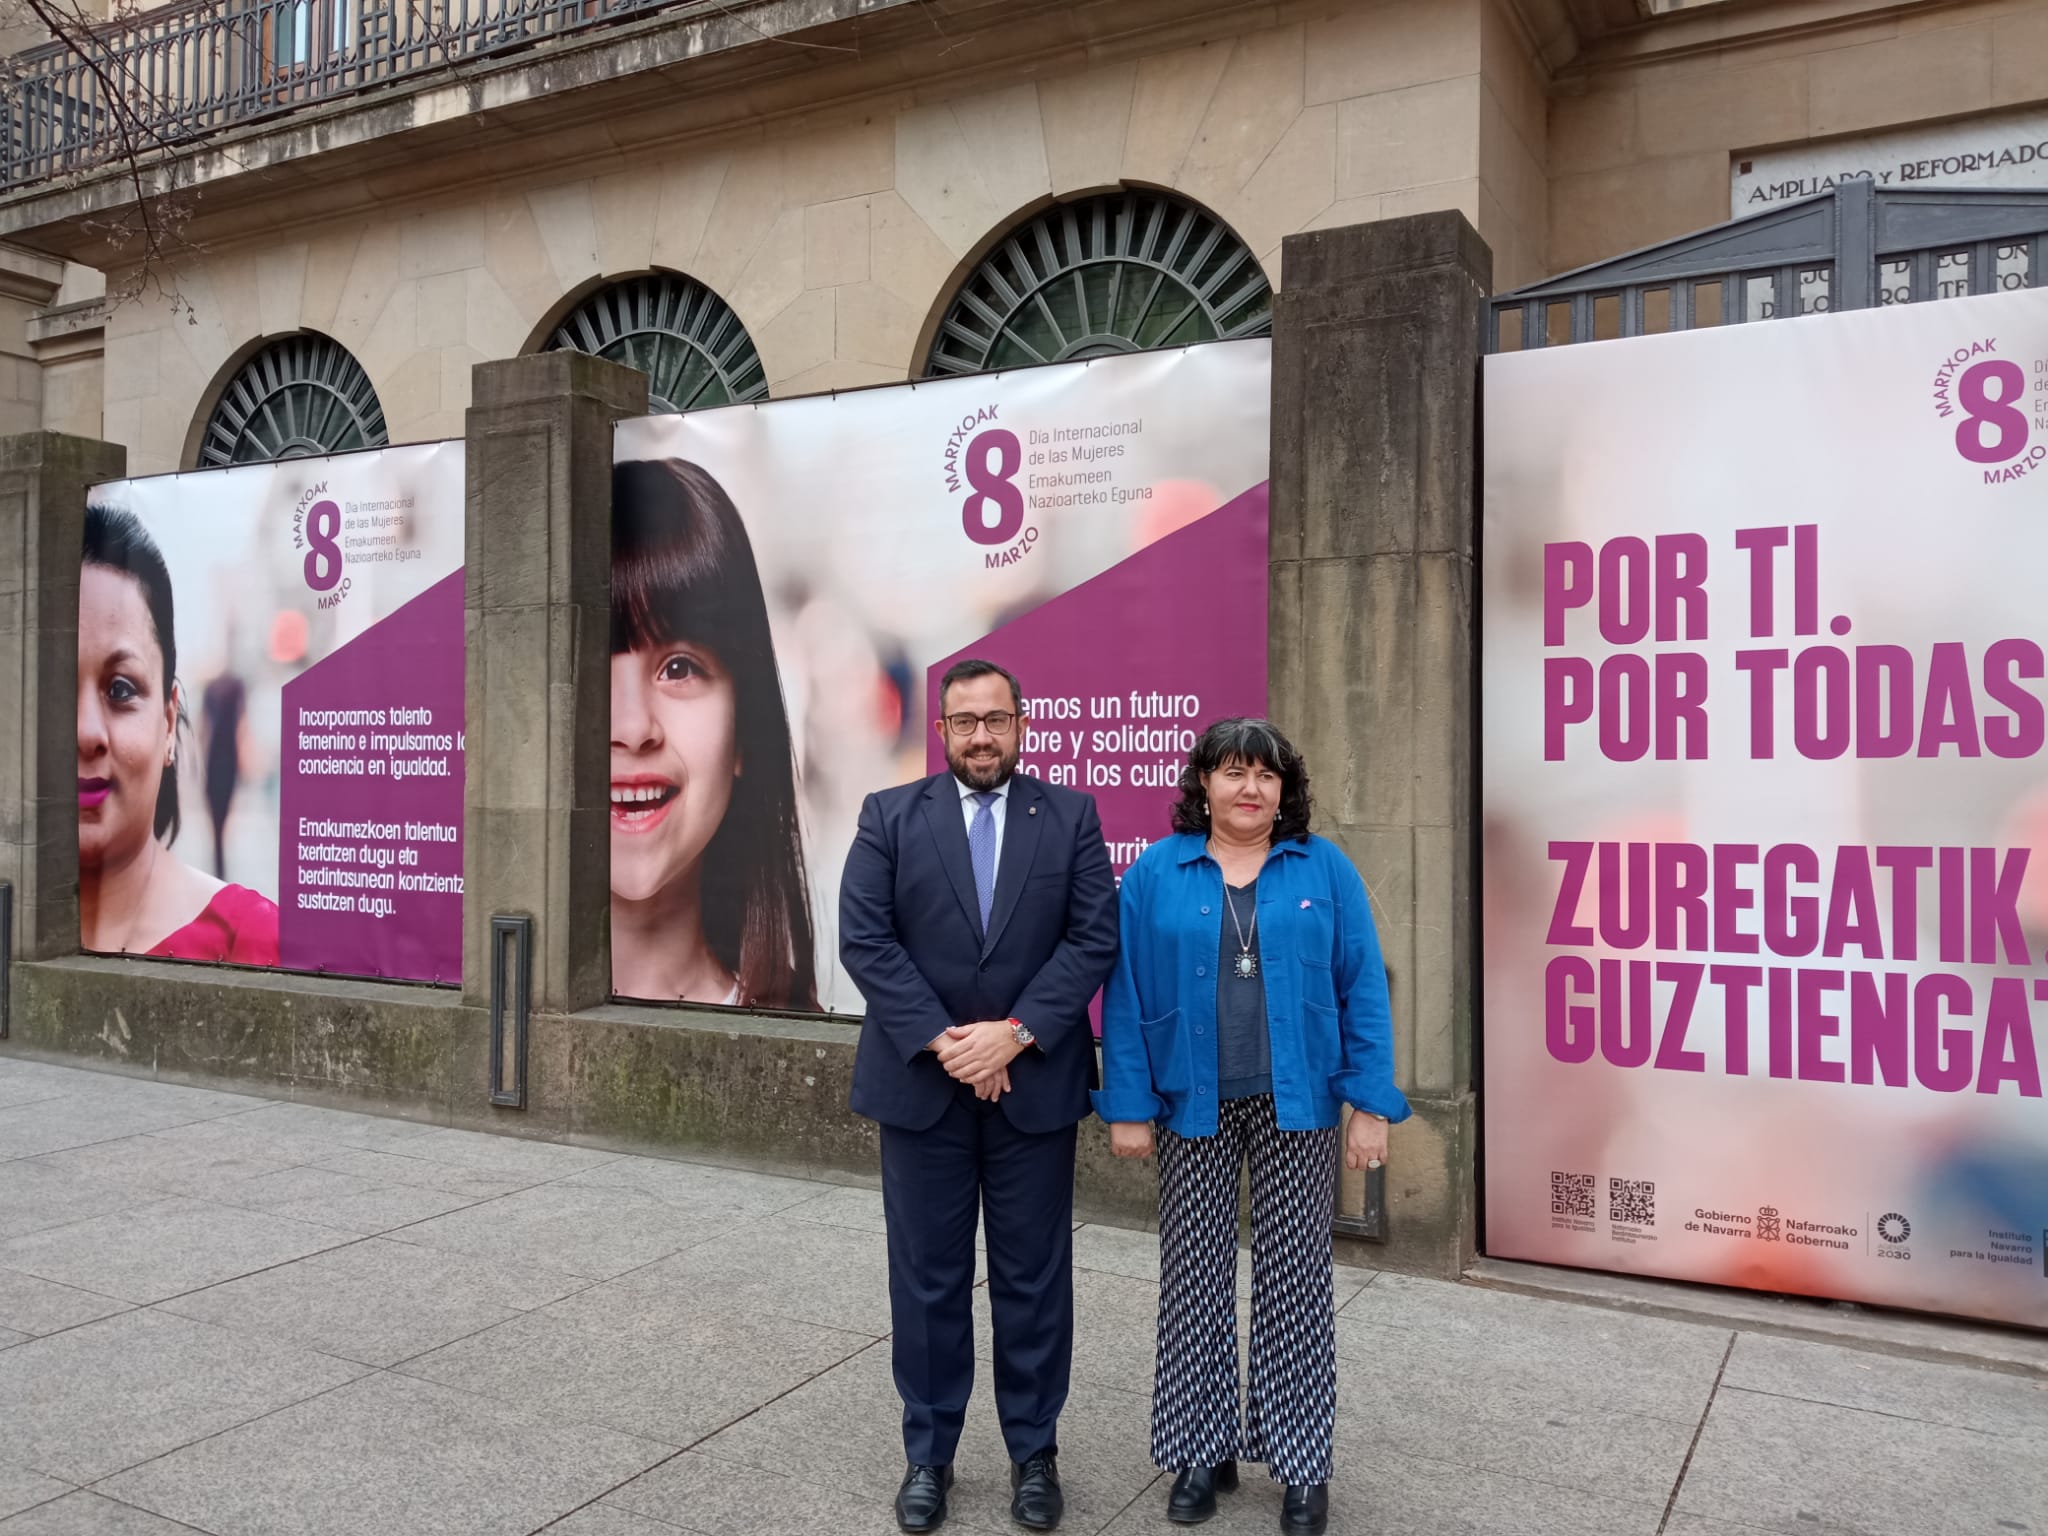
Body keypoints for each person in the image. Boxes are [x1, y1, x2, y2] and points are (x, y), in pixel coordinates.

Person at [1095, 718, 1409, 1536]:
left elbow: (1363, 990)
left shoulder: (1323, 869)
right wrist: (1127, 1105)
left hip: (1296, 1105)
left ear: (1284, 790)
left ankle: (1302, 1463)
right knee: (1194, 1280)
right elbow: (1123, 996)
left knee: (1295, 1281)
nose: (1248, 789)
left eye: (1265, 777)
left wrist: (1371, 1103)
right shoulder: (1157, 874)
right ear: (1203, 783)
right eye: (1232, 773)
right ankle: (1201, 1452)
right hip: (1188, 1103)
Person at [840, 659, 1117, 1534]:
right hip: (923, 1086)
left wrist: (1015, 1034)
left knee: (1035, 1280)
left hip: (1033, 1085)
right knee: (927, 1281)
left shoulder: (1069, 816)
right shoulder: (890, 816)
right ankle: (931, 1454)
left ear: (1023, 724)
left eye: (997, 720)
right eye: (966, 722)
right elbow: (866, 939)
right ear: (943, 730)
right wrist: (950, 1043)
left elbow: (1091, 938)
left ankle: (1035, 1454)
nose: (982, 736)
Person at [610, 458, 816, 1010]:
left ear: (744, 730)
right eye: (587, 669)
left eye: (679, 668)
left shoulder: (798, 1035)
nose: (633, 729)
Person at [77, 504, 280, 965]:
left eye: (120, 689)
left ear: (168, 723)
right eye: (55, 690)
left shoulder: (257, 943)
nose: (86, 732)